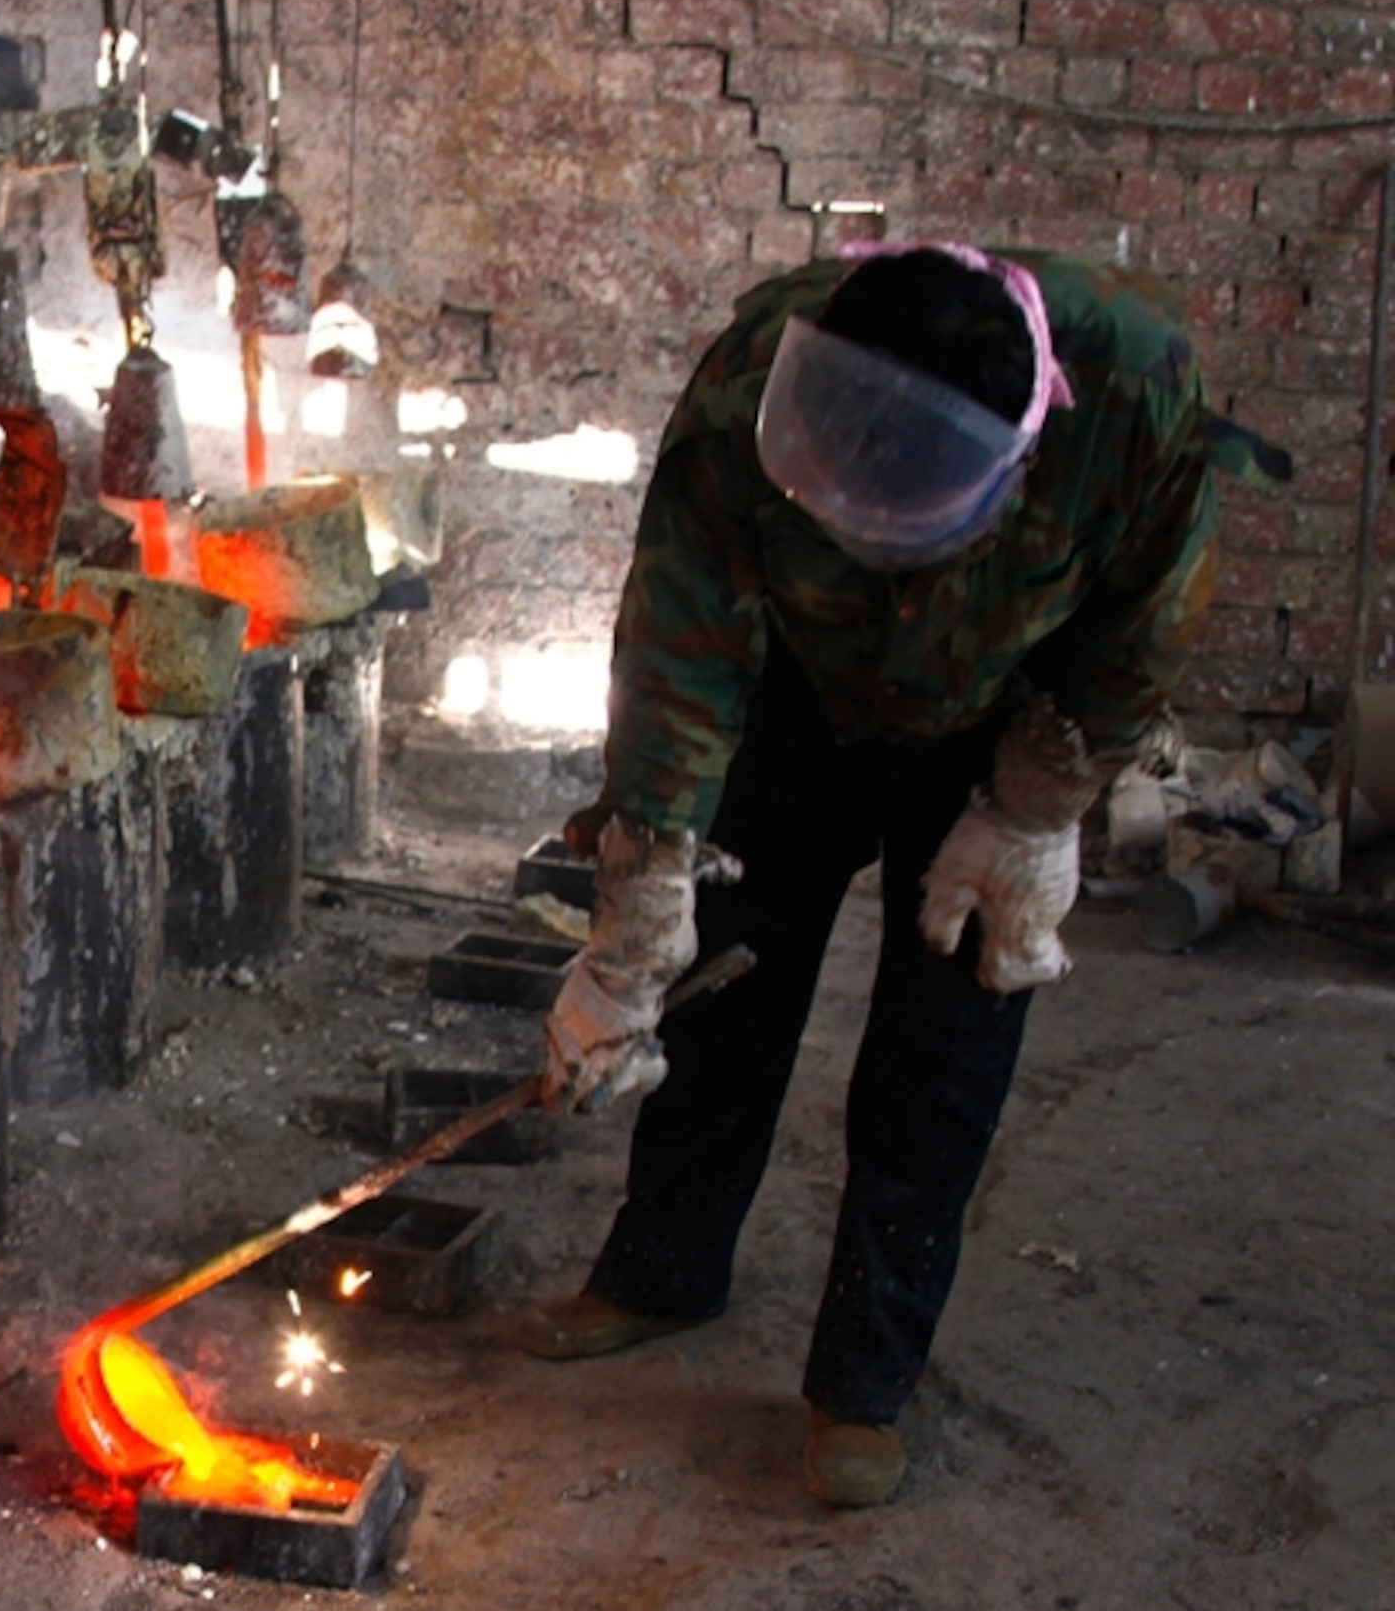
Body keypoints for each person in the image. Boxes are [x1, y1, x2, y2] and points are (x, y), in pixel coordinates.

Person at [519, 242, 1284, 1509]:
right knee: (722, 988)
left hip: (998, 720)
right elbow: (676, 646)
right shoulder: (753, 380)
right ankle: (661, 1271)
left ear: (1022, 456)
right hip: (797, 694)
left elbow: (1147, 622)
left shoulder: (1138, 398)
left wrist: (1037, 805)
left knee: (947, 1039)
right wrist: (638, 912)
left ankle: (864, 1379)